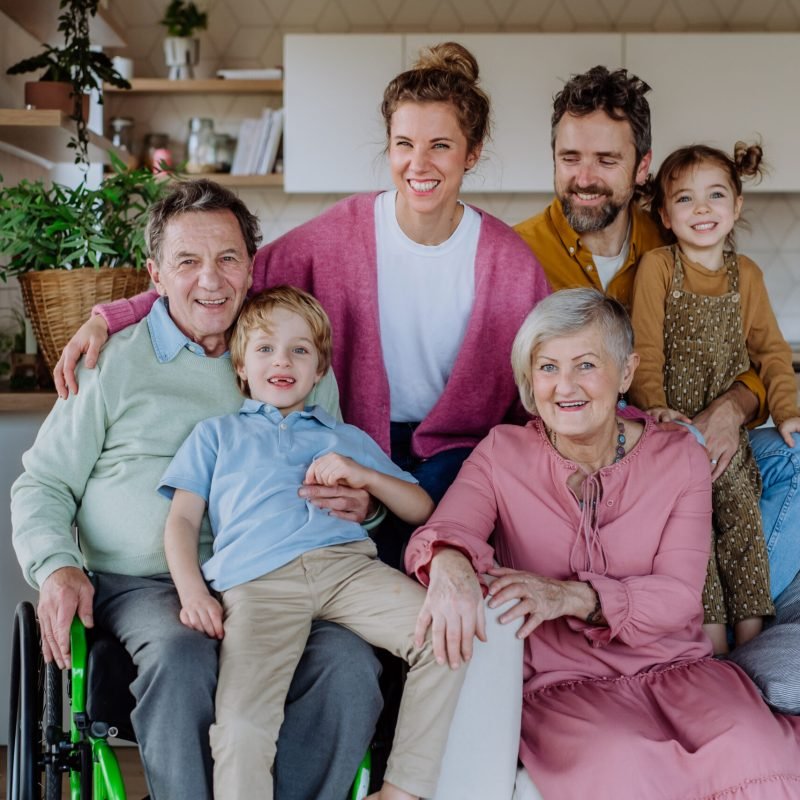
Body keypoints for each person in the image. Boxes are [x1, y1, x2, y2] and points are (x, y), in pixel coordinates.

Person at [53, 42, 550, 798]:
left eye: (441, 144)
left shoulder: (510, 263)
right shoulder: (335, 240)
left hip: (451, 462)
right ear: (386, 148)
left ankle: (402, 785)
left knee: (418, 637)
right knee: (325, 663)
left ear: (473, 152)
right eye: (404, 144)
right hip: (341, 479)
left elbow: (552, 374)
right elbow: (212, 280)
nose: (420, 163)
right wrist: (110, 314)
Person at [10, 180, 385, 800]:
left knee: (349, 665)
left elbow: (345, 472)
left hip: (282, 575)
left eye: (228, 258)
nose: (210, 279)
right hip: (147, 585)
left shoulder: (290, 354)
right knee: (183, 655)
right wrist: (55, 566)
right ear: (156, 275)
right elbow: (43, 482)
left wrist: (362, 507)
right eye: (188, 261)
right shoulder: (112, 362)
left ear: (251, 268)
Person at [406, 288, 800, 800]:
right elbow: (444, 533)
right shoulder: (502, 453)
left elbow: (679, 595)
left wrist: (569, 596)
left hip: (678, 670)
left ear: (627, 372)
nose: (563, 386)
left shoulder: (679, 456)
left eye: (585, 365)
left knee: (758, 752)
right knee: (621, 764)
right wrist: (451, 563)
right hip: (564, 685)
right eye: (546, 367)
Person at [513, 65, 800, 711]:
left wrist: (733, 407)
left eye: (605, 159)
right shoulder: (517, 252)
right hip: (600, 468)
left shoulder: (676, 239)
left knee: (791, 458)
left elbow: (746, 351)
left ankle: (748, 634)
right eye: (569, 157)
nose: (584, 176)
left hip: (697, 436)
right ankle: (699, 615)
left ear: (642, 167)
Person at [162, 285, 464, 800]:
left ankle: (401, 791)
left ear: (320, 369)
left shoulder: (344, 436)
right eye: (264, 349)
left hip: (347, 571)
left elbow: (421, 509)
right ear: (241, 366)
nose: (282, 361)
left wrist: (363, 475)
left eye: (300, 350)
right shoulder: (215, 435)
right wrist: (192, 591)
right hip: (259, 585)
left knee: (442, 637)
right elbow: (182, 522)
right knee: (241, 724)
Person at [630, 142, 800, 654]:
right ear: (664, 213)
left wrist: (789, 412)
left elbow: (771, 353)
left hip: (732, 443)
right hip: (673, 438)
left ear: (737, 206)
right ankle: (711, 650)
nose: (702, 210)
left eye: (715, 195)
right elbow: (644, 348)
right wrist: (655, 406)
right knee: (694, 536)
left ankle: (749, 645)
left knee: (743, 524)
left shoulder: (746, 275)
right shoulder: (659, 268)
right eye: (685, 199)